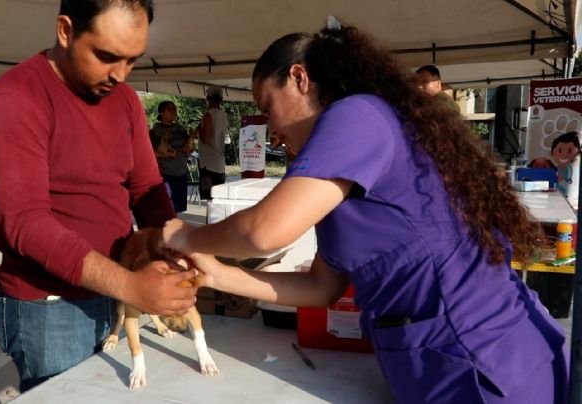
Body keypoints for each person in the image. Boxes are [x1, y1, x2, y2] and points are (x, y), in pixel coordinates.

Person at [163, 20, 568, 404]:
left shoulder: (357, 114)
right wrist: (218, 274)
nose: (272, 129)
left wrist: (184, 235)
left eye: (268, 106)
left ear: (300, 79)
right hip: (443, 367)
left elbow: (266, 231)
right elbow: (324, 286)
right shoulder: (339, 176)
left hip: (488, 367)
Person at [0, 0, 198, 392]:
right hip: (51, 308)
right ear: (65, 30)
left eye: (133, 60)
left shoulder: (126, 101)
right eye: (107, 56)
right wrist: (131, 286)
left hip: (115, 291)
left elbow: (148, 192)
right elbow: (24, 223)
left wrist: (174, 246)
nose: (120, 74)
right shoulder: (18, 97)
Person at [150, 101, 191, 212]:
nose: (174, 112)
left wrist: (189, 148)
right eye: (170, 110)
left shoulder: (181, 130)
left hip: (181, 173)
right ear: (161, 113)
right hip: (165, 175)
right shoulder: (154, 132)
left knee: (177, 209)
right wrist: (165, 154)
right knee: (165, 209)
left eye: (175, 109)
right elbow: (150, 153)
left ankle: (173, 228)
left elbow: (189, 148)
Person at [197, 86, 229, 200]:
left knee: (210, 199)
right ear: (221, 99)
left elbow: (206, 139)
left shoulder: (208, 115)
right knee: (218, 198)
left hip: (208, 163)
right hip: (219, 162)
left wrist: (199, 130)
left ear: (207, 98)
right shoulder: (224, 116)